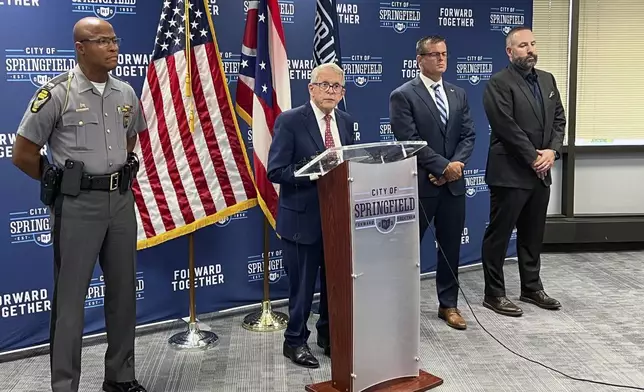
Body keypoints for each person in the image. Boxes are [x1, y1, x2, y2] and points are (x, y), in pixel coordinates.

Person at [11, 17, 147, 392]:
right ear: (80, 47)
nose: (113, 47)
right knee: (70, 303)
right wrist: (62, 181)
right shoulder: (57, 93)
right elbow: (22, 153)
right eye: (101, 40)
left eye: (114, 39)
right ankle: (65, 384)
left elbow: (131, 136)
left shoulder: (126, 93)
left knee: (122, 293)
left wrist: (113, 171)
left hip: (120, 202)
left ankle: (120, 377)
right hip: (77, 207)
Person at [267, 63, 355, 368]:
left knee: (335, 285)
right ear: (311, 88)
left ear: (343, 92)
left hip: (338, 220)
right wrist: (314, 172)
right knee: (302, 289)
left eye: (337, 87)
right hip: (301, 221)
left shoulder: (345, 121)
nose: (331, 91)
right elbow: (275, 171)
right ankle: (294, 341)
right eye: (325, 85)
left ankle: (329, 336)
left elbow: (350, 165)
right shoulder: (290, 121)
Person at [389, 35, 475, 330]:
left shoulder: (458, 93)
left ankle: (448, 305)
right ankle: (400, 308)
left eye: (444, 54)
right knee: (408, 251)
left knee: (450, 247)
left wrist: (454, 167)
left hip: (452, 186)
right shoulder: (403, 95)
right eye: (434, 54)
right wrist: (441, 167)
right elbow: (409, 140)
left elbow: (468, 135)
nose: (441, 59)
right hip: (421, 185)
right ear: (419, 59)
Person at [480, 26, 565, 317]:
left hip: (540, 171)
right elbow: (506, 127)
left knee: (532, 234)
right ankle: (494, 294)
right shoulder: (498, 83)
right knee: (499, 235)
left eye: (533, 44)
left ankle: (531, 287)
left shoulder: (547, 79)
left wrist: (552, 151)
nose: (530, 50)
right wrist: (533, 157)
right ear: (509, 51)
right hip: (510, 172)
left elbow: (559, 119)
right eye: (522, 46)